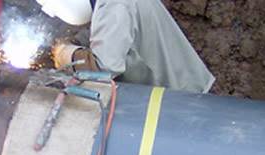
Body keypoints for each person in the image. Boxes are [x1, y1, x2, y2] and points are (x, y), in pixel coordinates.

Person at [36, 0, 215, 93]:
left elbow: (102, 69)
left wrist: (64, 54)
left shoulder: (116, 5)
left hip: (181, 99)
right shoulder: (109, 5)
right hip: (181, 91)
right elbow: (111, 32)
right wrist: (77, 41)